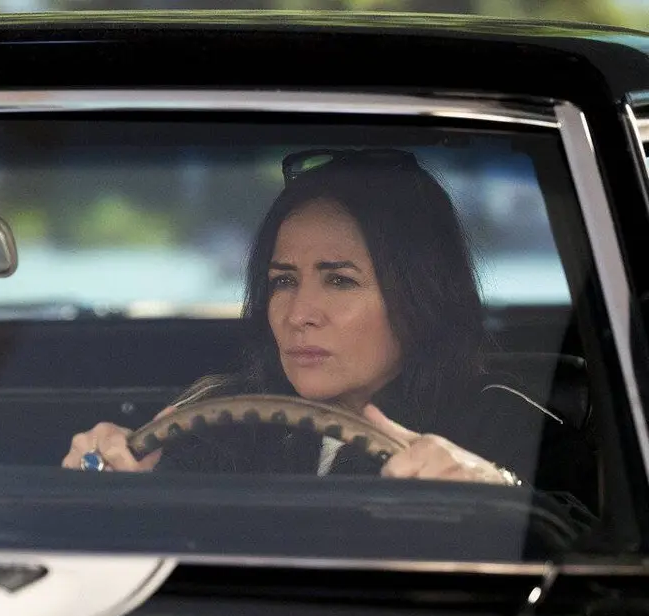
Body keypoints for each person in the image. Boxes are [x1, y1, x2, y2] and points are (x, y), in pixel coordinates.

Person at [61, 148, 592, 496]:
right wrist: (109, 485)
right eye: (282, 281)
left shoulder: (507, 421)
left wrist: (497, 493)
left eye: (339, 280)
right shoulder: (217, 415)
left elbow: (583, 545)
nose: (298, 315)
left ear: (420, 295)